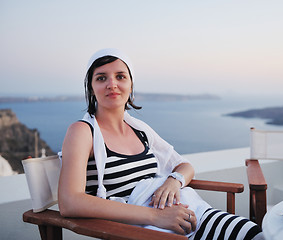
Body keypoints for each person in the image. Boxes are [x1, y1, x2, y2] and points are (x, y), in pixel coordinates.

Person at [58, 48, 264, 240]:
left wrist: (172, 182)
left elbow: (184, 166)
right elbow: (70, 202)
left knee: (255, 234)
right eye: (101, 78)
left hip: (188, 214)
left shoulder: (139, 131)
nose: (112, 84)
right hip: (137, 229)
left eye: (120, 76)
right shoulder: (83, 132)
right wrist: (155, 217)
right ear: (91, 88)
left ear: (131, 85)